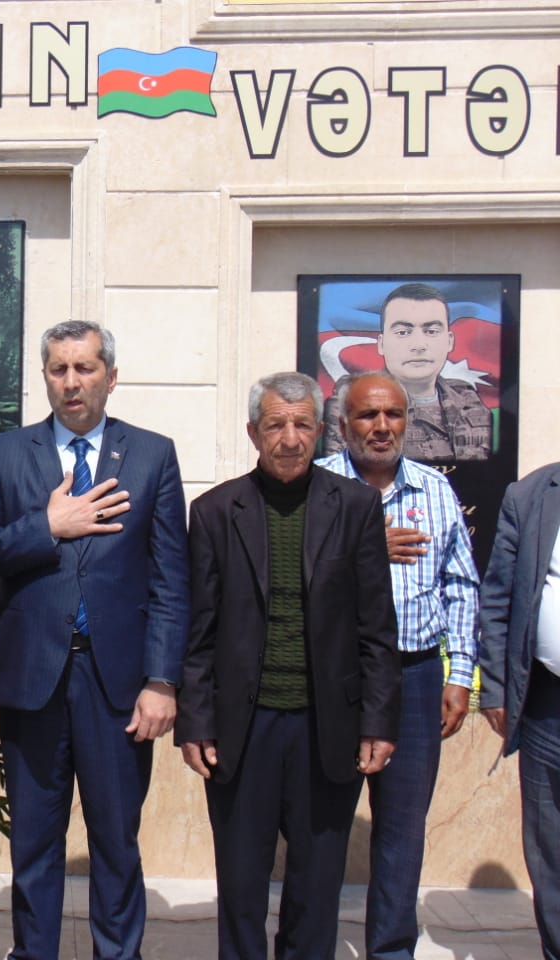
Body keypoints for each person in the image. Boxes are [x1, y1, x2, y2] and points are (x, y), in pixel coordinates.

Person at [0, 319, 189, 959]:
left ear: (111, 376)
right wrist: (47, 525)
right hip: (33, 681)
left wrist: (162, 681)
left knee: (116, 842)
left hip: (117, 686)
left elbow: (170, 579)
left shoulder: (152, 455)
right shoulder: (2, 455)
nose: (72, 382)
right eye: (59, 369)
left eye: (85, 368)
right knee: (34, 844)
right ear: (45, 377)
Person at [176, 370, 401, 960]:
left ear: (321, 431)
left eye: (302, 425)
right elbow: (198, 632)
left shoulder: (355, 506)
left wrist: (378, 721)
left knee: (316, 886)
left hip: (327, 727)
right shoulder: (214, 512)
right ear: (254, 433)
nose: (290, 438)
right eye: (276, 425)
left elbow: (377, 627)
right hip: (242, 730)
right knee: (241, 885)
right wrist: (195, 722)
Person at [318, 371, 479, 960]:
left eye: (393, 415)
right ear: (343, 426)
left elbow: (462, 586)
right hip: (334, 679)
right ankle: (312, 945)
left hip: (415, 677)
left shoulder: (435, 490)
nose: (382, 427)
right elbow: (287, 574)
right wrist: (363, 545)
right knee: (322, 826)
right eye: (368, 416)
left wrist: (459, 674)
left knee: (403, 829)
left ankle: (390, 950)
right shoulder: (316, 486)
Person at [478, 461, 560, 959]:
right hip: (547, 705)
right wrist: (495, 688)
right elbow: (497, 598)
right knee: (550, 847)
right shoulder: (530, 496)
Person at [323, 283, 492, 461]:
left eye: (431, 331)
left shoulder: (467, 398)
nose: (419, 345)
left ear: (449, 341)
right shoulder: (352, 398)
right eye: (403, 332)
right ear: (381, 344)